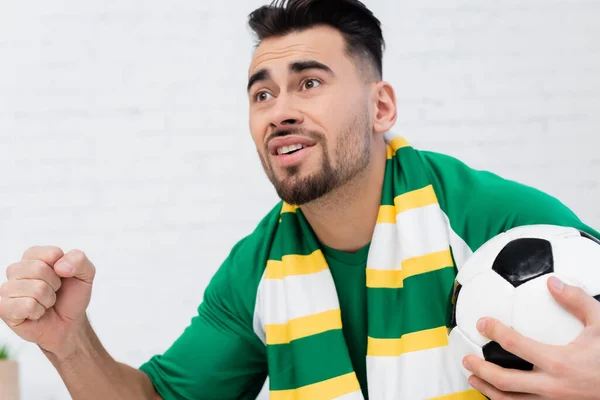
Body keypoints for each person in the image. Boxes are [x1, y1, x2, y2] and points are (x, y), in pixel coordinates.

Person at [1, 0, 599, 399]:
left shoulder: (491, 218)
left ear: (381, 108)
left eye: (309, 84)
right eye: (262, 95)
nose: (280, 110)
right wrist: (68, 341)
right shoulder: (256, 269)